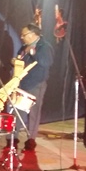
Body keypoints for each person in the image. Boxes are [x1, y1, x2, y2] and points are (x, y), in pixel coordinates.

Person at [12, 23, 54, 152]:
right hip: (22, 82)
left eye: (24, 35)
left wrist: (32, 51)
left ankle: (31, 139)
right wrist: (15, 61)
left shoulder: (44, 46)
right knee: (17, 111)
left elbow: (46, 62)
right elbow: (20, 59)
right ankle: (13, 139)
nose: (21, 37)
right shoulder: (24, 47)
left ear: (32, 34)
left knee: (34, 113)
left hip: (36, 83)